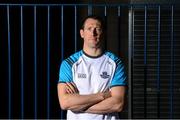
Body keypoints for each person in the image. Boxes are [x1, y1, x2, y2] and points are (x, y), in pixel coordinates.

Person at [57, 15, 127, 120]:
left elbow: (117, 104)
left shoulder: (115, 63)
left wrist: (77, 105)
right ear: (82, 33)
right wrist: (102, 96)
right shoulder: (69, 64)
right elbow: (65, 102)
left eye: (97, 29)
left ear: (103, 33)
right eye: (89, 29)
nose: (93, 33)